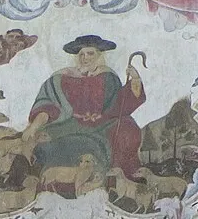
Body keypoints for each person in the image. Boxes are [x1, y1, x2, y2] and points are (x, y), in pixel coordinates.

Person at [27, 36, 146, 192]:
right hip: (68, 123)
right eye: (81, 54)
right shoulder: (61, 78)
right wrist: (34, 125)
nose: (85, 58)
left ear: (99, 55)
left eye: (90, 53)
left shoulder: (108, 76)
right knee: (42, 138)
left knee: (127, 129)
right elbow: (47, 102)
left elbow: (118, 105)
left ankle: (121, 179)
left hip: (103, 123)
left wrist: (135, 80)